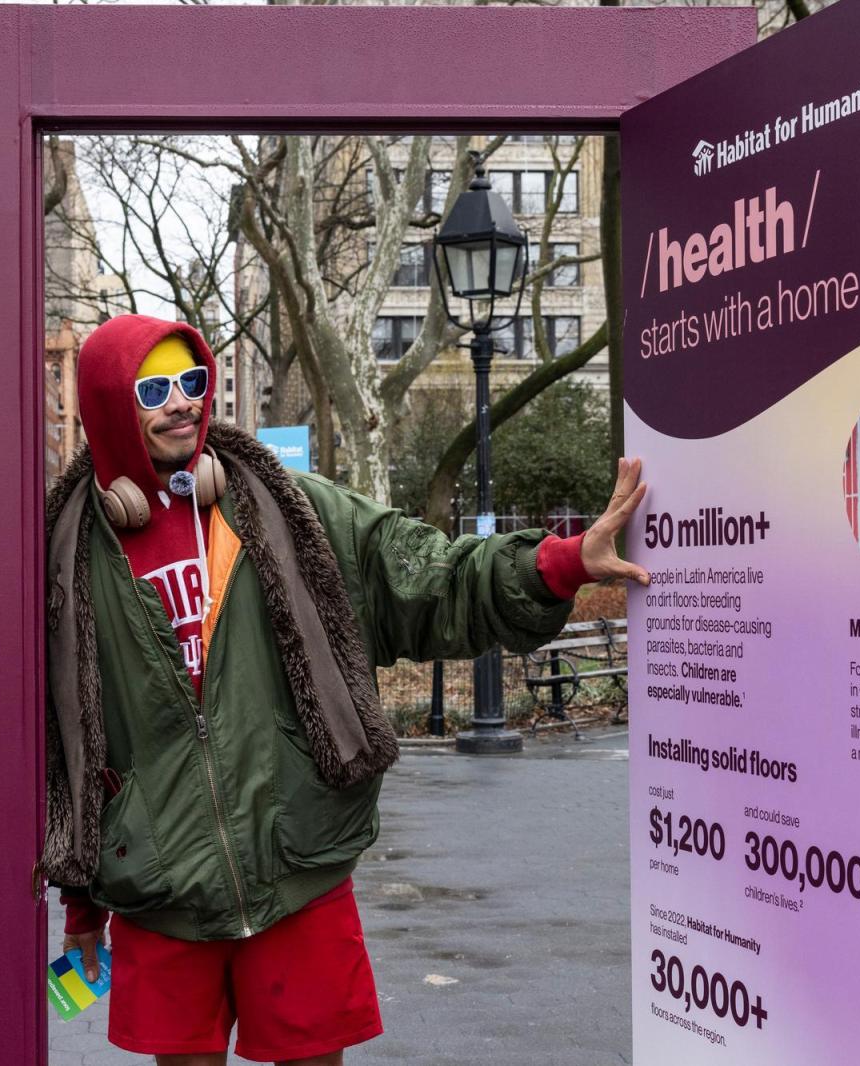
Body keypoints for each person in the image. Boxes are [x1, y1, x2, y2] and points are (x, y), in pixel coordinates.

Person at [37, 314, 650, 1066]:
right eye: (154, 388)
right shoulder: (66, 557)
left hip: (299, 860)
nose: (182, 402)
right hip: (161, 887)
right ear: (106, 404)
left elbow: (427, 576)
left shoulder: (288, 510)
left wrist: (557, 563)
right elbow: (65, 744)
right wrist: (81, 903)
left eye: (193, 382)